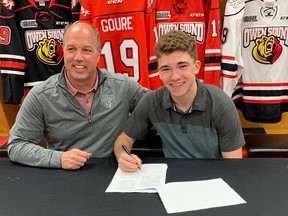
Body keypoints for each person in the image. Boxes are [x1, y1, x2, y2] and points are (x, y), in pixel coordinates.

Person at [7, 21, 148, 170]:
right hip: (64, 180)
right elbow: (16, 146)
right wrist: (58, 158)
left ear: (98, 54)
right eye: (71, 49)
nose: (78, 57)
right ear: (64, 51)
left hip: (113, 176)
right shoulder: (41, 95)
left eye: (87, 50)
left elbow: (158, 104)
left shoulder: (123, 87)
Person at [114, 30, 245, 172]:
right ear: (159, 72)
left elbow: (234, 168)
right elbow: (123, 140)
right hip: (171, 180)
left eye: (182, 66)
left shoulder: (221, 105)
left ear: (196, 67)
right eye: (166, 69)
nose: (174, 76)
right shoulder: (152, 101)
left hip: (212, 180)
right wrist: (123, 156)